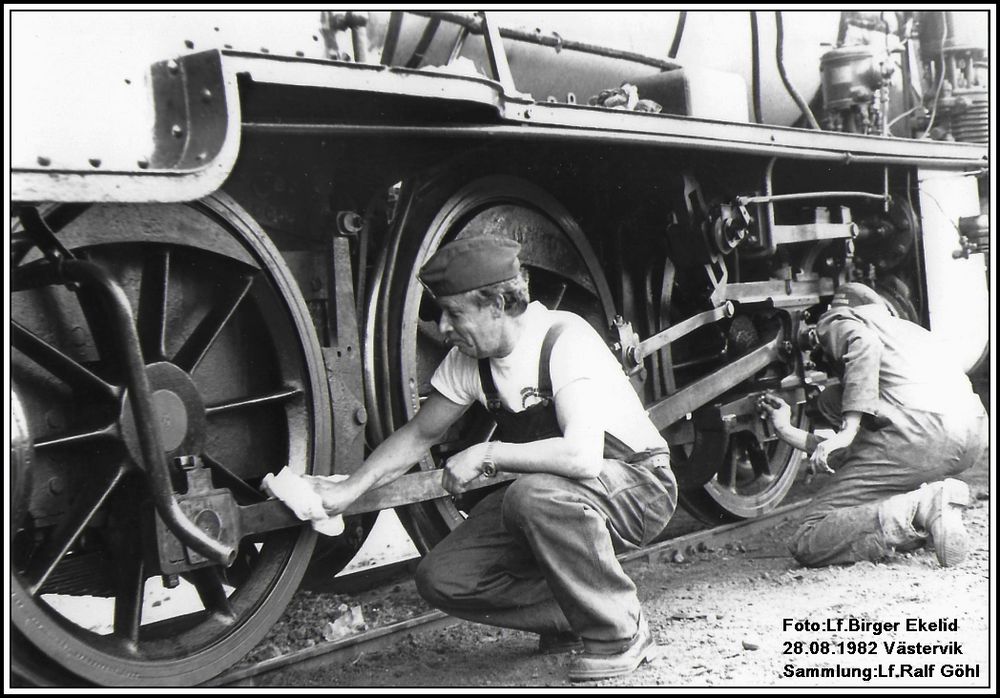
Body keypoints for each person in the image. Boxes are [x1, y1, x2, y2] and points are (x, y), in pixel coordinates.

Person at [307, 234, 677, 681]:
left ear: (498, 304)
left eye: (454, 313)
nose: (442, 327)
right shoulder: (470, 361)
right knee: (443, 577)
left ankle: (622, 632)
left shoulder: (563, 339)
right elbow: (418, 435)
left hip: (638, 485)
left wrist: (489, 452)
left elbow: (582, 457)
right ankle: (574, 618)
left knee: (531, 497)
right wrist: (347, 491)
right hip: (557, 493)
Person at [759, 282, 988, 568]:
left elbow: (862, 344)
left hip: (917, 434)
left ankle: (921, 508)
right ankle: (930, 514)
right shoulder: (914, 333)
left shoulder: (841, 318)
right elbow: (864, 452)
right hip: (971, 434)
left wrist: (846, 431)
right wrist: (786, 430)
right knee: (833, 398)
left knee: (809, 537)